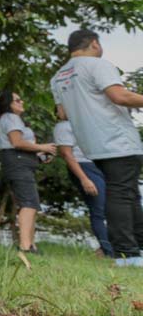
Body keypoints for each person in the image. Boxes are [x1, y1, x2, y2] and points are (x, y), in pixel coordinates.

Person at [51, 29, 143, 266]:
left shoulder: (59, 76)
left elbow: (62, 113)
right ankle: (128, 254)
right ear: (94, 43)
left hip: (91, 143)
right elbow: (119, 96)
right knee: (123, 193)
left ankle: (137, 249)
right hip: (116, 138)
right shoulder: (96, 64)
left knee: (127, 193)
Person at [0, 90, 56, 253]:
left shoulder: (11, 119)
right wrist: (42, 147)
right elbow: (17, 142)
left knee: (31, 203)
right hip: (17, 162)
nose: (22, 102)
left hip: (20, 162)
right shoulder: (11, 118)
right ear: (8, 104)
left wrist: (40, 156)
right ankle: (25, 246)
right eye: (17, 100)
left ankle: (30, 245)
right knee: (28, 204)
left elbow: (21, 146)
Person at [53, 106, 113, 257]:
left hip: (95, 167)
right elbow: (67, 155)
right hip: (84, 168)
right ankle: (109, 251)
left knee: (109, 209)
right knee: (98, 210)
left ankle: (105, 249)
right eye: (61, 107)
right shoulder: (62, 127)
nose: (67, 108)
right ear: (57, 114)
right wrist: (84, 178)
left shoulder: (81, 124)